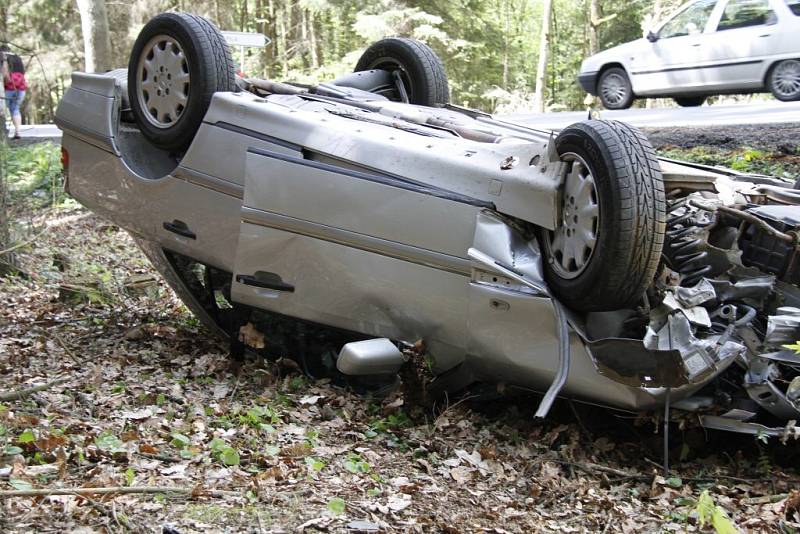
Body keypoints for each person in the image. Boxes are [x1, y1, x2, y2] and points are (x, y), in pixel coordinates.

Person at [1, 45, 27, 139]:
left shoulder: (2, 57)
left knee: (1, 110)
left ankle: (3, 133)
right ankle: (18, 132)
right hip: (21, 88)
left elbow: (4, 75)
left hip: (8, 89)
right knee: (15, 109)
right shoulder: (17, 58)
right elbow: (23, 73)